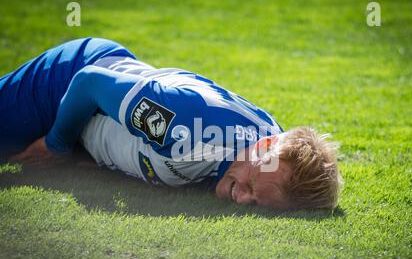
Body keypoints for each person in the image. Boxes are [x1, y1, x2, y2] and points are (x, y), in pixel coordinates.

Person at [0, 37, 341, 210]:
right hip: (66, 83)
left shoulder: (274, 145)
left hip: (94, 121)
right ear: (264, 147)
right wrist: (56, 145)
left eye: (256, 203)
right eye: (251, 187)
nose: (242, 201)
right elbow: (90, 83)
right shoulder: (187, 131)